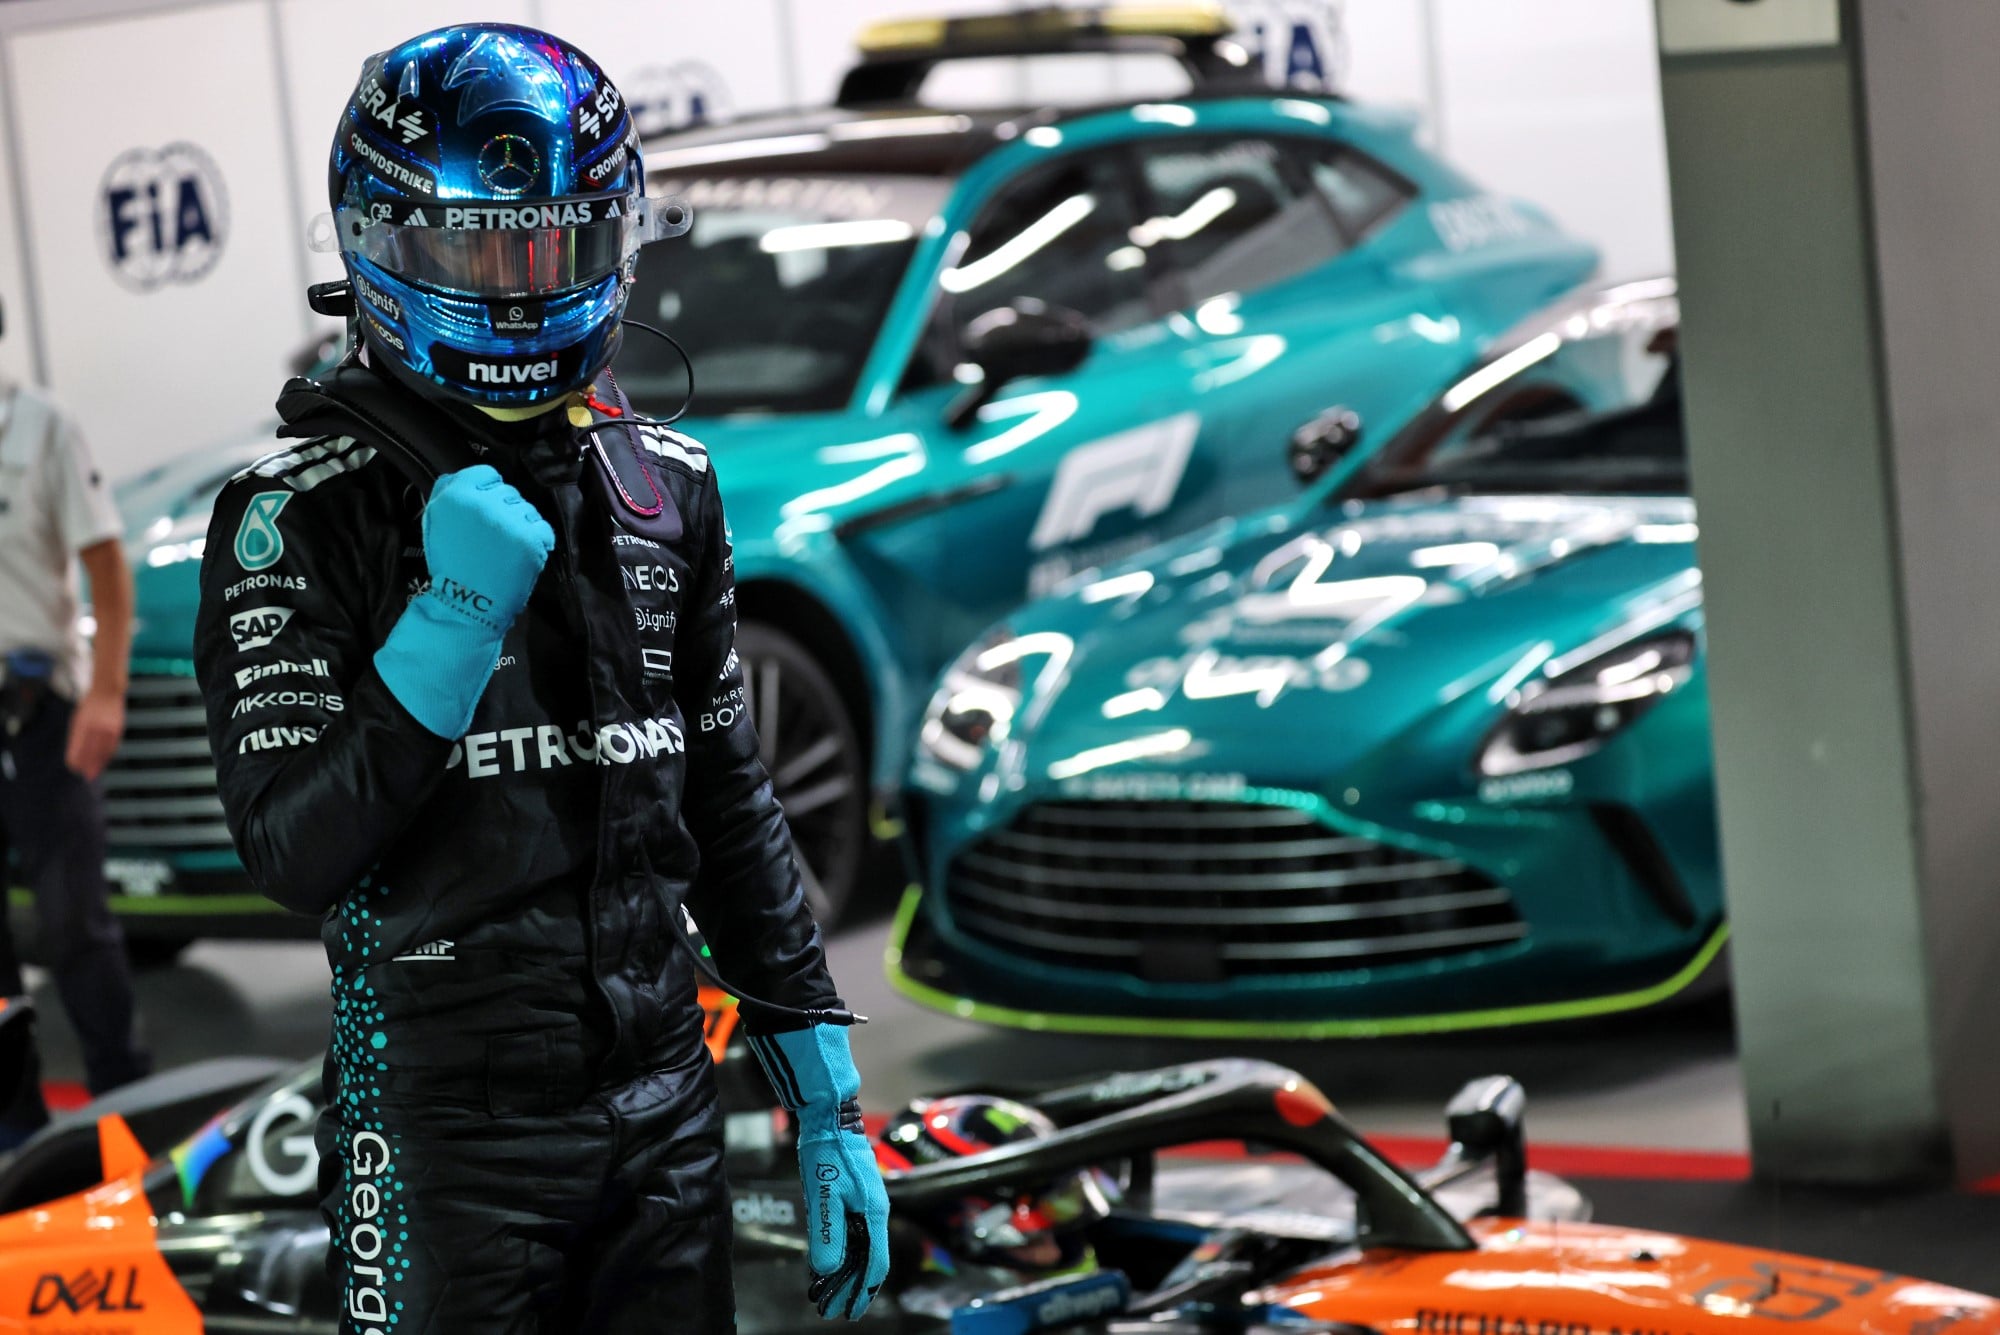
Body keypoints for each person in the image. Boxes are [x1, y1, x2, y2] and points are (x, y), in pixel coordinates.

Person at [192, 24, 886, 1333]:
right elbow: (293, 848)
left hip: (666, 1107)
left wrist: (828, 1091)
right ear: (381, 242)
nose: (520, 290)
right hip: (442, 1130)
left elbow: (729, 803)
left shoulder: (666, 484)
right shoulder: (295, 516)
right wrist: (450, 618)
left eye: (556, 247)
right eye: (478, 252)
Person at [0, 296, 151, 1131]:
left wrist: (106, 690)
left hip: (42, 715)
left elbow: (105, 562)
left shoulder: (40, 429)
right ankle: (15, 1129)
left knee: (73, 930)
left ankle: (131, 1114)